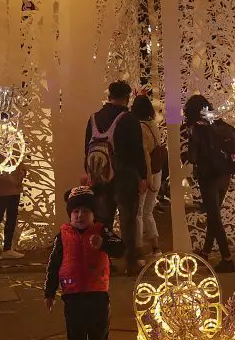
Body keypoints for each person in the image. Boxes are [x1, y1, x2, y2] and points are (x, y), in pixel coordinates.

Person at [44, 186, 125, 339]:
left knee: (99, 333)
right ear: (70, 214)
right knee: (75, 333)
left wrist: (103, 244)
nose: (80, 215)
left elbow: (120, 248)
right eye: (76, 211)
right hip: (72, 296)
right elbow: (54, 264)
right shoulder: (62, 236)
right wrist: (50, 292)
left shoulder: (102, 231)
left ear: (94, 214)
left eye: (86, 211)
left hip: (97, 295)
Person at [84, 80, 146, 275]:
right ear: (127, 98)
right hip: (125, 176)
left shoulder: (94, 118)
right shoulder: (129, 118)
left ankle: (104, 262)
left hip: (100, 177)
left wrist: (89, 174)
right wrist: (143, 176)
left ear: (109, 95)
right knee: (128, 220)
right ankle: (130, 262)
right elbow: (138, 150)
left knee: (103, 221)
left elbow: (87, 148)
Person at [181, 94, 235, 272]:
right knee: (214, 216)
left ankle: (227, 259)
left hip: (209, 176)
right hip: (224, 174)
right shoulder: (220, 123)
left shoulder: (196, 129)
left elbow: (193, 157)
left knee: (214, 217)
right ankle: (205, 252)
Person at [131, 93, 164, 260]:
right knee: (148, 212)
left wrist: (146, 178)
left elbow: (145, 155)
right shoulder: (153, 125)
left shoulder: (139, 127)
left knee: (138, 212)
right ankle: (156, 248)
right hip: (157, 173)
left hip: (146, 175)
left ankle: (138, 251)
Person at [0, 162, 26, 260]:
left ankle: (7, 248)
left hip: (15, 188)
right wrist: (8, 177)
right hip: (0, 189)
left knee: (12, 217)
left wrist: (22, 172)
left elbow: (20, 162)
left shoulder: (15, 147)